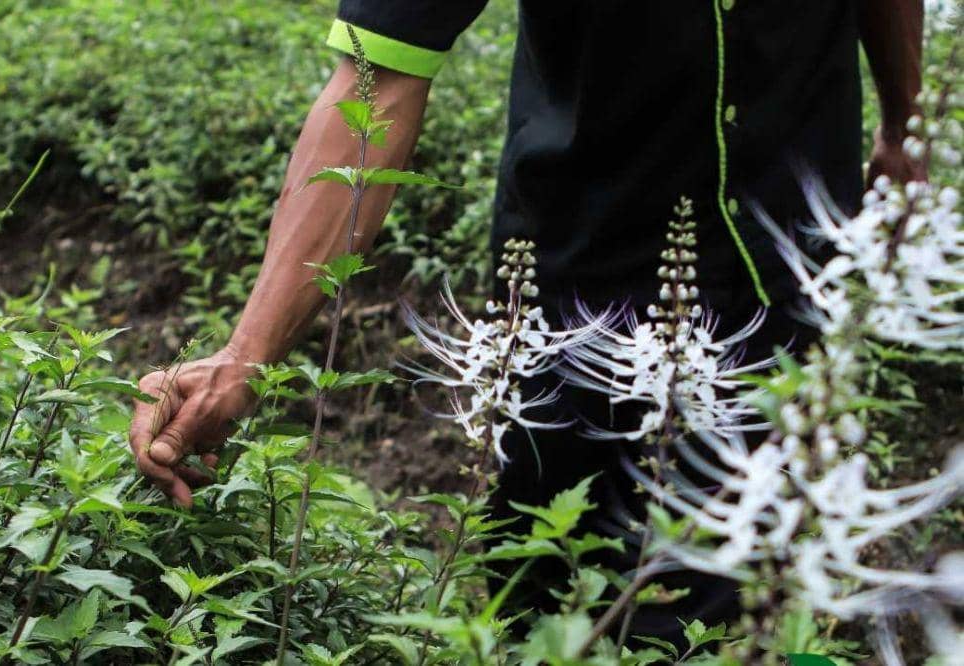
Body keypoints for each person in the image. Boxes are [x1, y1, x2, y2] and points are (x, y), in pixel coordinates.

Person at [129, 0, 925, 643]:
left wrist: (903, 120)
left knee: (749, 608)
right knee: (559, 602)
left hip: (794, 256)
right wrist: (247, 355)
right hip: (580, 302)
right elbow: (379, 76)